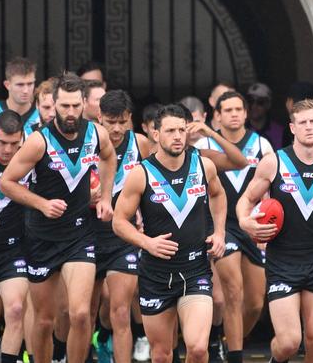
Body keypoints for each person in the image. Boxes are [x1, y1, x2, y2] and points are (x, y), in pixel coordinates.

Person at [0, 73, 117, 363]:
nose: (70, 113)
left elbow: (109, 157)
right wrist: (41, 204)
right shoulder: (39, 141)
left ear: (85, 104)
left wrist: (105, 196)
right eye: (64, 106)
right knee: (44, 320)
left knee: (79, 313)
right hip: (41, 237)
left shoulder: (96, 134)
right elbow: (7, 182)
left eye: (76, 106)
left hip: (79, 236)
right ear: (53, 104)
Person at [237, 99, 313, 362]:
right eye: (303, 122)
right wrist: (246, 222)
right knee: (290, 342)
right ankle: (275, 359)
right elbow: (245, 200)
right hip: (283, 259)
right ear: (292, 127)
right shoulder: (273, 162)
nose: (310, 127)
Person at [112, 103, 227, 363]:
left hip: (195, 269)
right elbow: (119, 221)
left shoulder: (204, 166)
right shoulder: (141, 174)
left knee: (197, 348)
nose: (178, 136)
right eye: (171, 131)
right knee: (162, 354)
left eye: (182, 130)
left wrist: (219, 233)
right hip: (156, 274)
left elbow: (219, 195)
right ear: (156, 134)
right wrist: (146, 243)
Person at [196, 91, 274, 363]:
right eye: (227, 109)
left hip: (251, 225)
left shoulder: (262, 144)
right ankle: (235, 356)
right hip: (221, 224)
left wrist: (268, 223)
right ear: (217, 115)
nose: (234, 114)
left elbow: (270, 190)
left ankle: (225, 338)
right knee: (233, 290)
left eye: (239, 109)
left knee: (254, 302)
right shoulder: (204, 143)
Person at [93, 89, 151, 363]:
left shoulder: (141, 144)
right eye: (110, 122)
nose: (116, 129)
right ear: (98, 116)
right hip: (85, 236)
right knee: (80, 313)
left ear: (130, 119)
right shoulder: (85, 141)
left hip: (123, 237)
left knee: (120, 310)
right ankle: (98, 340)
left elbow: (159, 179)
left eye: (122, 122)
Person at [0, 110, 30, 363]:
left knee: (15, 309)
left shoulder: (29, 158)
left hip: (14, 250)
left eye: (14, 144)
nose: (8, 150)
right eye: (2, 143)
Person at [0, 57, 40, 139]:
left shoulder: (42, 113)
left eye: (30, 84)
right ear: (7, 85)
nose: (26, 90)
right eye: (20, 85)